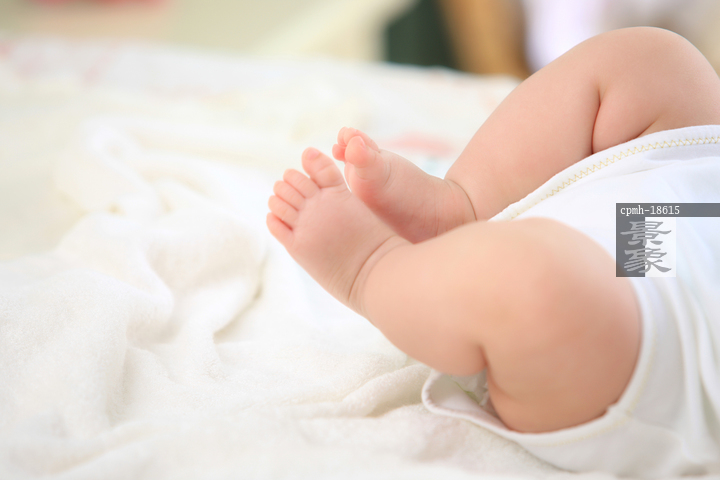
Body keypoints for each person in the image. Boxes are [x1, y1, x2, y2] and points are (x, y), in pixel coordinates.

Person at [266, 27, 720, 476]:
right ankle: (466, 204)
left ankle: (372, 268)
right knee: (656, 64)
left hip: (655, 347)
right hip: (665, 226)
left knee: (534, 285)